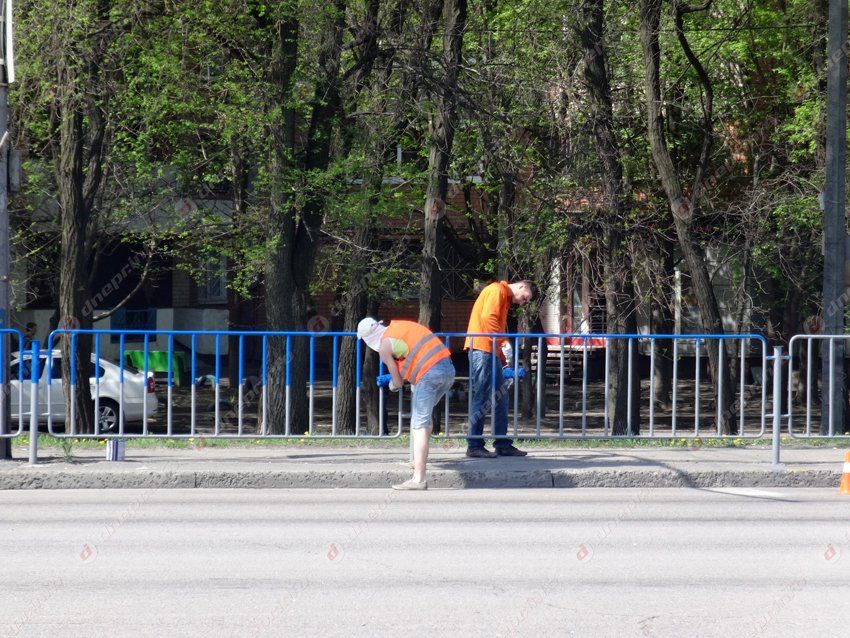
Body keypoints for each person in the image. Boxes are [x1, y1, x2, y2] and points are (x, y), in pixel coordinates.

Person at [357, 316, 456, 490]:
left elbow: (397, 382)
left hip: (428, 375)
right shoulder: (400, 326)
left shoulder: (384, 347)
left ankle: (418, 479)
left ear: (368, 338)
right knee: (424, 420)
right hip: (448, 370)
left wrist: (391, 385)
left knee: (419, 424)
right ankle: (417, 460)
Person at [465, 279, 536, 457]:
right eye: (526, 297)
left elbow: (492, 323)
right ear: (522, 286)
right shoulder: (496, 290)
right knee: (482, 395)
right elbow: (488, 318)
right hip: (482, 349)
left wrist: (503, 354)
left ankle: (502, 443)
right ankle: (474, 445)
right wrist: (503, 342)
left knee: (501, 396)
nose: (523, 302)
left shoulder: (502, 296)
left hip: (490, 350)